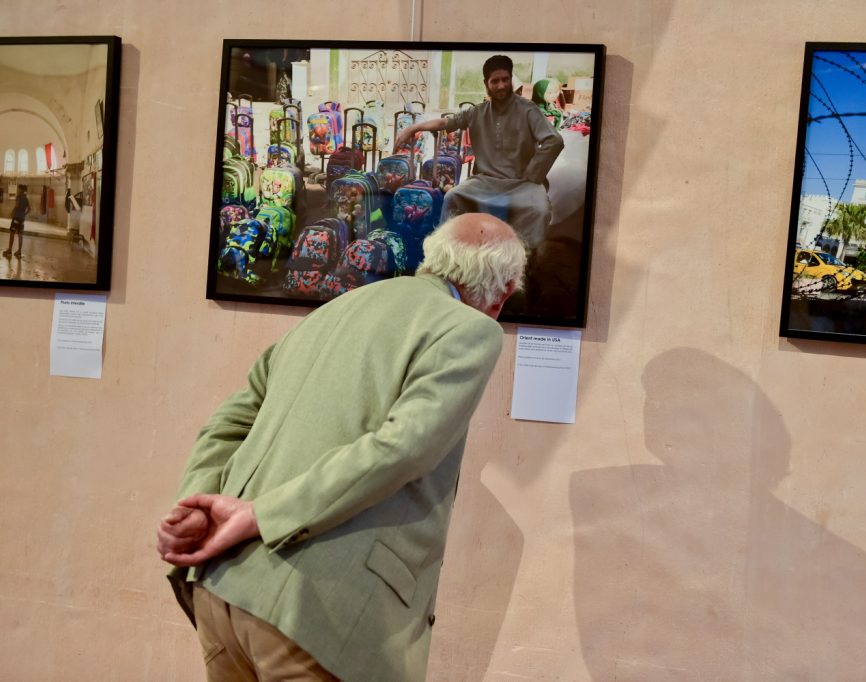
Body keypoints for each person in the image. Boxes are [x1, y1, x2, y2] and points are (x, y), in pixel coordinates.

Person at [158, 212, 527, 681]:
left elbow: (229, 422)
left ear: (430, 259)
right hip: (314, 612)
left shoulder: (333, 307)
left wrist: (199, 506)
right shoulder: (470, 329)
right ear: (505, 292)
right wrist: (259, 517)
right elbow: (404, 448)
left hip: (222, 588)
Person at [395, 55, 564, 249]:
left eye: (505, 79)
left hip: (522, 185)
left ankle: (525, 263)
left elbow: (554, 140)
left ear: (511, 80)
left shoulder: (528, 109)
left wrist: (533, 174)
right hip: (485, 182)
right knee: (453, 197)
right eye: (495, 81)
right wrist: (413, 128)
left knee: (540, 210)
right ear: (486, 83)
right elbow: (446, 122)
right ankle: (449, 256)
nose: (501, 85)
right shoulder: (478, 112)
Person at [4, 185, 30, 258]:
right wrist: (24, 214)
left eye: (18, 189)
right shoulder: (26, 199)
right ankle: (19, 251)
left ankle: (9, 250)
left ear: (21, 190)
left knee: (12, 233)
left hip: (16, 218)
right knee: (20, 234)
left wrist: (12, 212)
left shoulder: (19, 197)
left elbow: (17, 205)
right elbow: (29, 209)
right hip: (22, 219)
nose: (17, 190)